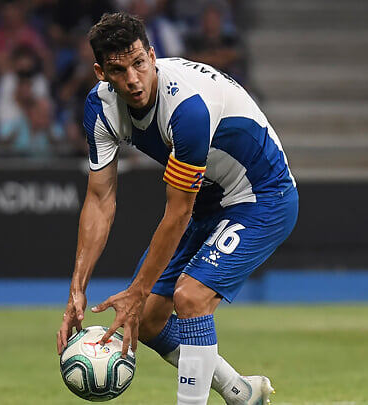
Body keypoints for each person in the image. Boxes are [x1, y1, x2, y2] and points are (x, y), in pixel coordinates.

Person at [56, 12, 298, 405]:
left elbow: (178, 213)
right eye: (118, 70)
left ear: (152, 55)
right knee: (149, 320)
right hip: (209, 203)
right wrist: (77, 289)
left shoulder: (187, 109)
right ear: (101, 73)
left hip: (262, 197)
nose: (133, 79)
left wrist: (137, 290)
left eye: (139, 63)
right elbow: (100, 200)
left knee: (191, 297)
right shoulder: (100, 108)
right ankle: (242, 393)